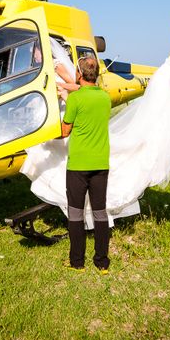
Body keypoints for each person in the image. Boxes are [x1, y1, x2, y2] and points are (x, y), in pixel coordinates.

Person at [21, 54, 170, 228]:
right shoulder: (103, 97)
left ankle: (77, 226)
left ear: (80, 73)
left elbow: (74, 98)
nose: (33, 54)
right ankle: (100, 245)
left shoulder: (59, 70)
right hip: (90, 143)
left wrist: (61, 92)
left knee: (66, 157)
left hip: (74, 129)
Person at [61, 57, 111, 272]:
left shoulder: (75, 99)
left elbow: (65, 131)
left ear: (79, 74)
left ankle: (77, 262)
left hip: (78, 165)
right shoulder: (105, 97)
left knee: (75, 213)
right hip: (101, 163)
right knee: (100, 213)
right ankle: (102, 262)